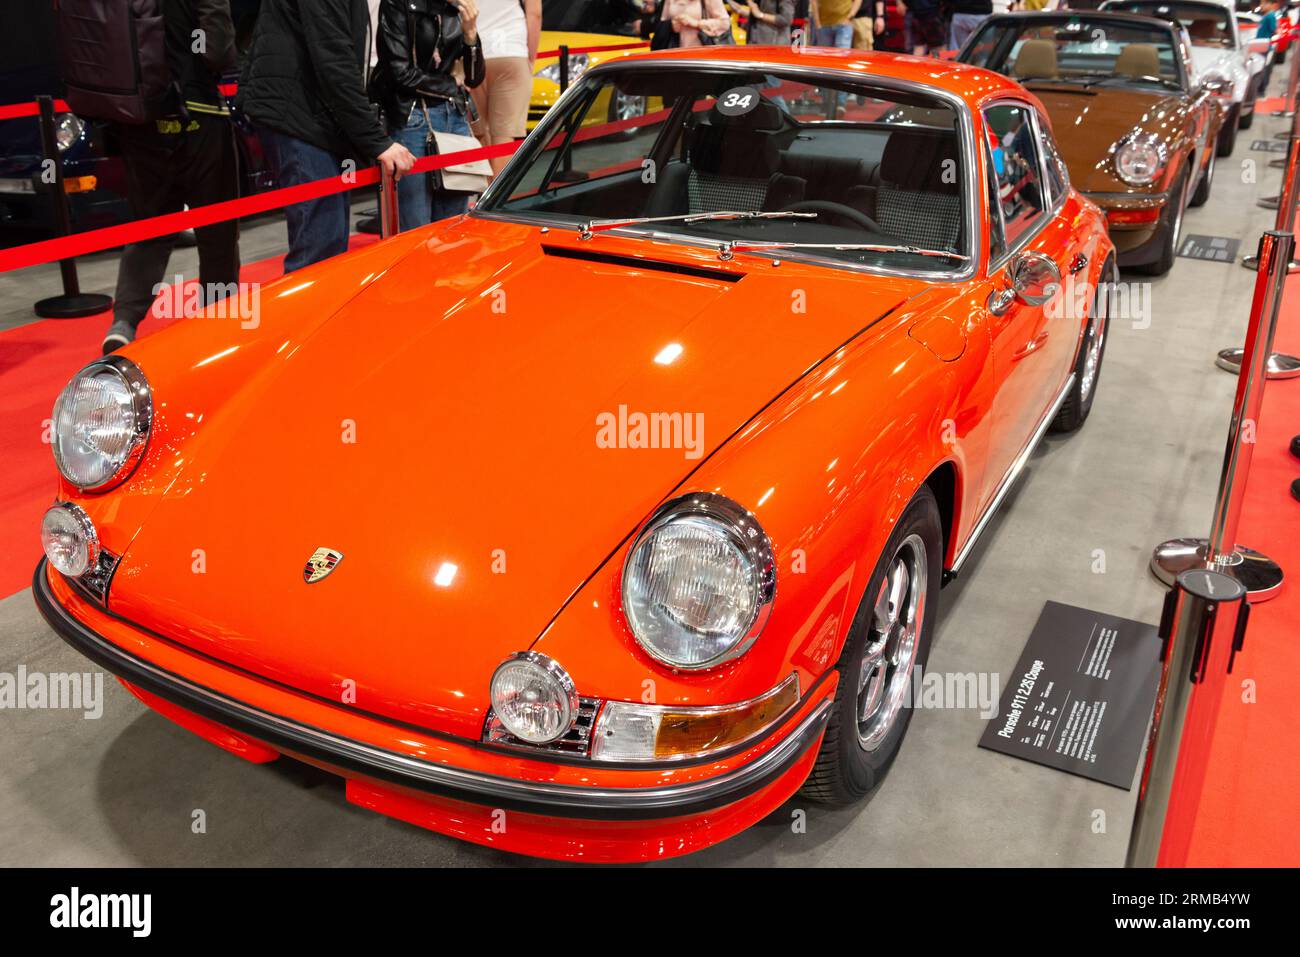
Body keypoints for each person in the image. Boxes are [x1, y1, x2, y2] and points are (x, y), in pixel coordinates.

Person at [236, 0, 415, 273]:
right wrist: (376, 141)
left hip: (304, 115)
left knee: (326, 247)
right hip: (299, 116)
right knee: (318, 254)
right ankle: (305, 317)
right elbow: (334, 61)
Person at [103, 0, 241, 354]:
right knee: (217, 230)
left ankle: (125, 321)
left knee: (148, 227)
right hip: (199, 116)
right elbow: (218, 52)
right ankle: (218, 320)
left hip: (140, 120)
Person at [372, 0, 485, 229]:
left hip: (453, 115)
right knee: (414, 225)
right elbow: (400, 73)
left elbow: (474, 78)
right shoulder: (398, 4)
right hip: (412, 116)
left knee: (453, 225)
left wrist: (471, 33)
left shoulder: (456, 9)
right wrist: (450, 83)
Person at [471, 0, 540, 176]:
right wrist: (530, 59)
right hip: (511, 51)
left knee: (479, 134)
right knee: (504, 136)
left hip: (473, 53)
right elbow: (534, 14)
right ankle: (497, 199)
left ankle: (483, 197)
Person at [650, 0, 733, 48]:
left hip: (703, 55)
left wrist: (696, 24)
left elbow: (725, 23)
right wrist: (671, 25)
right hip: (676, 54)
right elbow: (662, 22)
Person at [731, 0, 795, 44]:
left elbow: (786, 19)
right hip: (754, 40)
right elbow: (755, 13)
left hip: (773, 44)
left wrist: (761, 15)